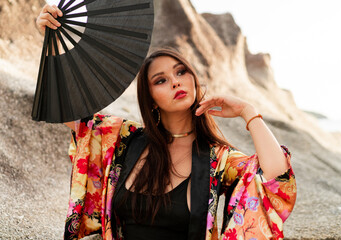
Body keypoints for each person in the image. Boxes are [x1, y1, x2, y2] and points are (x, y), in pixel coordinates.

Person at [36, 4, 296, 240]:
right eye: (160, 80)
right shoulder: (123, 140)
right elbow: (67, 109)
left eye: (181, 72)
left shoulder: (220, 159)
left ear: (193, 80)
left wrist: (248, 112)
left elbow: (275, 179)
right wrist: (52, 41)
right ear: (150, 98)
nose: (175, 81)